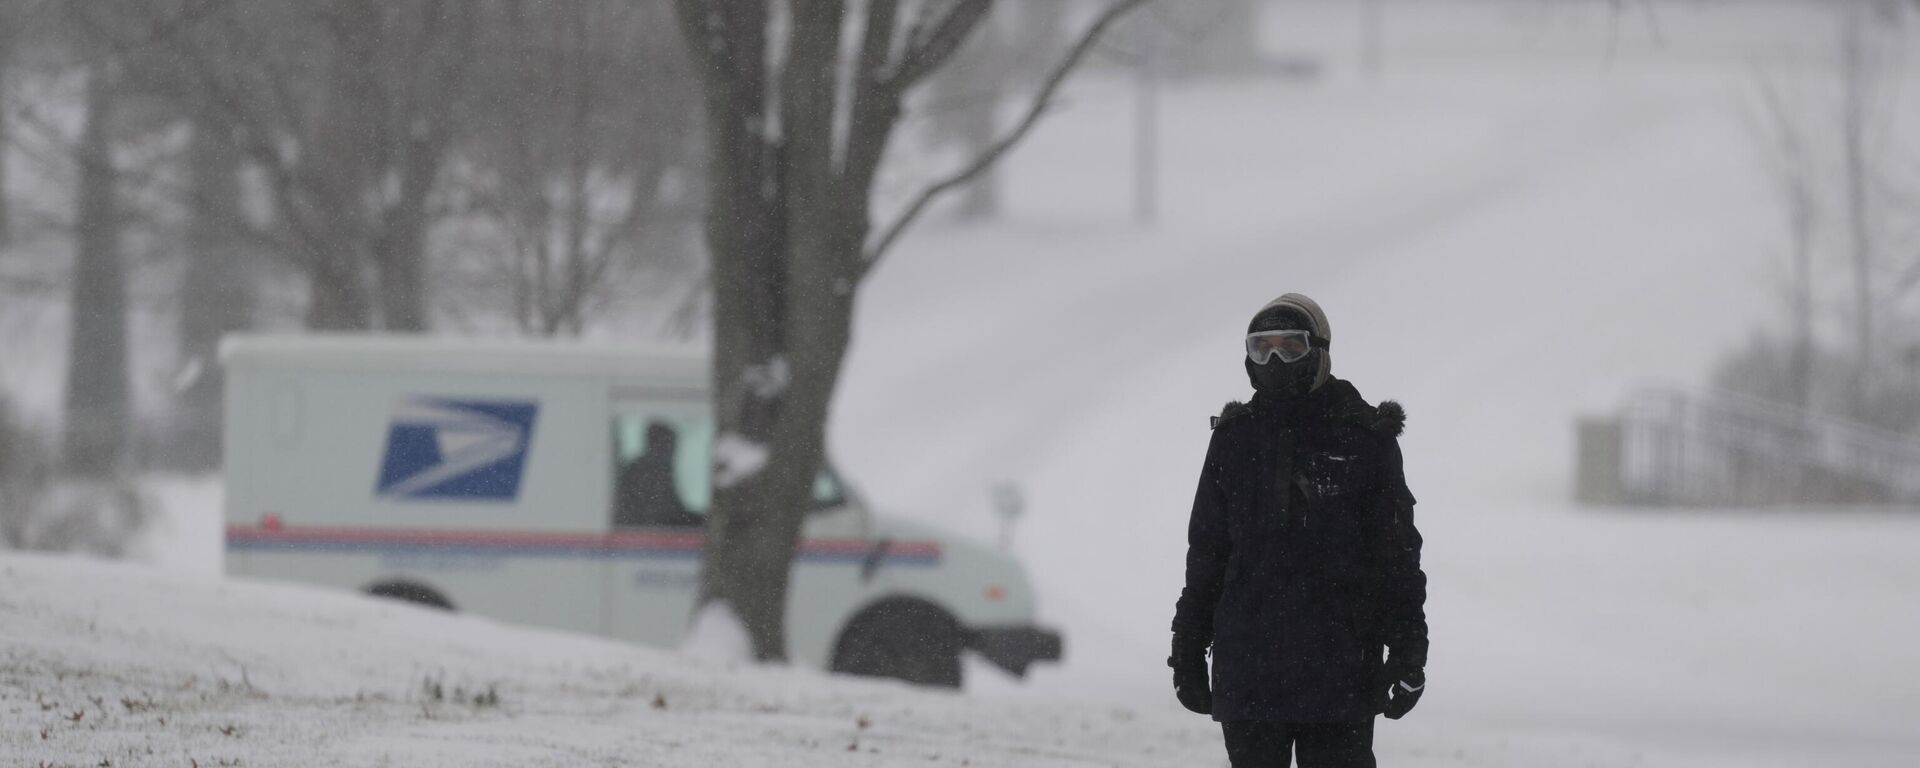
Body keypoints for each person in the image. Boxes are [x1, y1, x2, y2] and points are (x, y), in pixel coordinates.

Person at [1169, 293, 1429, 768]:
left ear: (1320, 352)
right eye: (1260, 348)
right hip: (1249, 672)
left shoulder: (1364, 437)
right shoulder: (1233, 439)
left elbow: (1396, 555)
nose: (1274, 361)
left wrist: (1410, 648)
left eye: (1290, 348)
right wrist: (1187, 646)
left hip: (1340, 672)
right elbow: (1207, 554)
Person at [614, 421, 699, 528]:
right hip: (643, 533)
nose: (672, 451)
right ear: (658, 445)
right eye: (669, 445)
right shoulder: (649, 472)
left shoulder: (653, 469)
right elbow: (665, 512)